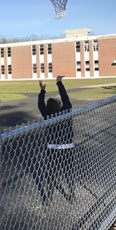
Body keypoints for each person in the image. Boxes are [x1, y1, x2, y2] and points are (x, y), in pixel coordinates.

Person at [37, 75, 75, 204]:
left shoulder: (48, 115)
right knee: (68, 173)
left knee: (52, 174)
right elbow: (65, 97)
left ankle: (49, 197)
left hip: (52, 148)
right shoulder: (66, 111)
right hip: (67, 147)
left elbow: (40, 105)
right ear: (60, 105)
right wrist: (59, 83)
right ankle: (72, 195)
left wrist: (42, 91)